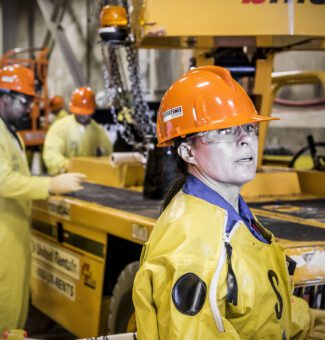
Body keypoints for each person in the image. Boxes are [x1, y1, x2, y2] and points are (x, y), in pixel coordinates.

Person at [132, 66, 325, 339]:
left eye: (248, 127)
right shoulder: (194, 246)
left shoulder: (231, 215)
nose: (245, 140)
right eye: (224, 132)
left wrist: (309, 323)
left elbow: (260, 312)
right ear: (188, 151)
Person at [0, 64, 85, 334]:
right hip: (4, 235)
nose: (30, 109)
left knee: (16, 303)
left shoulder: (9, 132)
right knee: (7, 305)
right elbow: (3, 181)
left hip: (13, 230)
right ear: (4, 98)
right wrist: (51, 184)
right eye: (24, 101)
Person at [43, 86, 113, 175]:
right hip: (65, 179)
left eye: (86, 113)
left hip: (93, 179)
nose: (83, 116)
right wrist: (70, 166)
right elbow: (51, 155)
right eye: (80, 113)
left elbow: (108, 156)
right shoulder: (60, 128)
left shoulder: (98, 131)